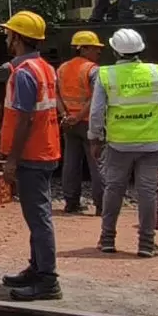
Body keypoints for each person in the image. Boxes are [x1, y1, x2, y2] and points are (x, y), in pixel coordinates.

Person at [89, 28, 158, 258]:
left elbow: (96, 113)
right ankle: (146, 244)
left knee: (113, 189)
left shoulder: (106, 75)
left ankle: (107, 240)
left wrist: (95, 138)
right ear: (140, 49)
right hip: (151, 143)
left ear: (114, 51)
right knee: (147, 193)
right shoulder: (156, 73)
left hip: (118, 143)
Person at [0, 11, 64, 301]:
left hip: (32, 153)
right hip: (46, 148)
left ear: (18, 38)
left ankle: (47, 280)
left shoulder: (24, 73)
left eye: (10, 34)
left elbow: (23, 119)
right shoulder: (45, 68)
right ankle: (37, 268)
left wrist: (11, 159)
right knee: (38, 215)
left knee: (38, 217)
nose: (8, 38)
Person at [57, 31, 105, 215]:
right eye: (95, 48)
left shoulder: (61, 69)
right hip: (88, 123)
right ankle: (101, 206)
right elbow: (95, 99)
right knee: (97, 163)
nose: (98, 52)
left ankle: (71, 203)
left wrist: (65, 115)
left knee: (71, 163)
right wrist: (78, 117)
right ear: (83, 49)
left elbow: (56, 95)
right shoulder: (93, 70)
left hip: (69, 124)